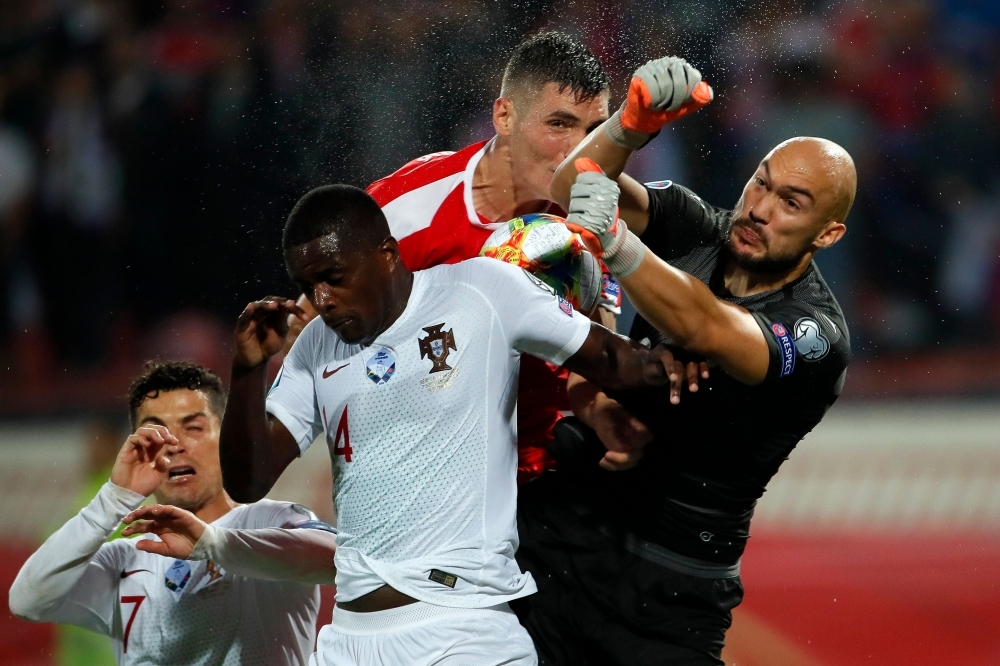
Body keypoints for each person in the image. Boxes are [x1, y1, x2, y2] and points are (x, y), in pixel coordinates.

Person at [218, 184, 689, 666]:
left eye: (334, 278)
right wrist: (248, 369)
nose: (322, 299)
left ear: (386, 253)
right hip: (348, 642)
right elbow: (248, 481)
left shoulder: (480, 289)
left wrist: (682, 358)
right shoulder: (317, 344)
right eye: (309, 283)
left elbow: (617, 359)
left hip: (462, 634)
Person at [511, 56, 854, 665]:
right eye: (761, 182)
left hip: (670, 593)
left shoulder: (816, 333)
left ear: (827, 234)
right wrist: (629, 125)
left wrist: (616, 241)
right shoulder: (700, 227)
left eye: (791, 203)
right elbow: (568, 189)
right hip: (555, 535)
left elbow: (705, 325)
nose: (760, 208)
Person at [365, 30, 617, 483]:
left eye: (594, 131)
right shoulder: (403, 212)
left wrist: (602, 410)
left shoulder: (597, 215)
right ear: (504, 115)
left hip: (539, 476)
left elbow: (594, 354)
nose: (579, 150)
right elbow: (325, 342)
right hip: (420, 478)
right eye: (559, 125)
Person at [9, 361, 336, 666]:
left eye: (193, 428)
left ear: (226, 437)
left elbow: (340, 561)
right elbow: (26, 601)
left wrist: (212, 543)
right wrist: (114, 497)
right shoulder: (127, 559)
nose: (174, 444)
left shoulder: (272, 522)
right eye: (156, 432)